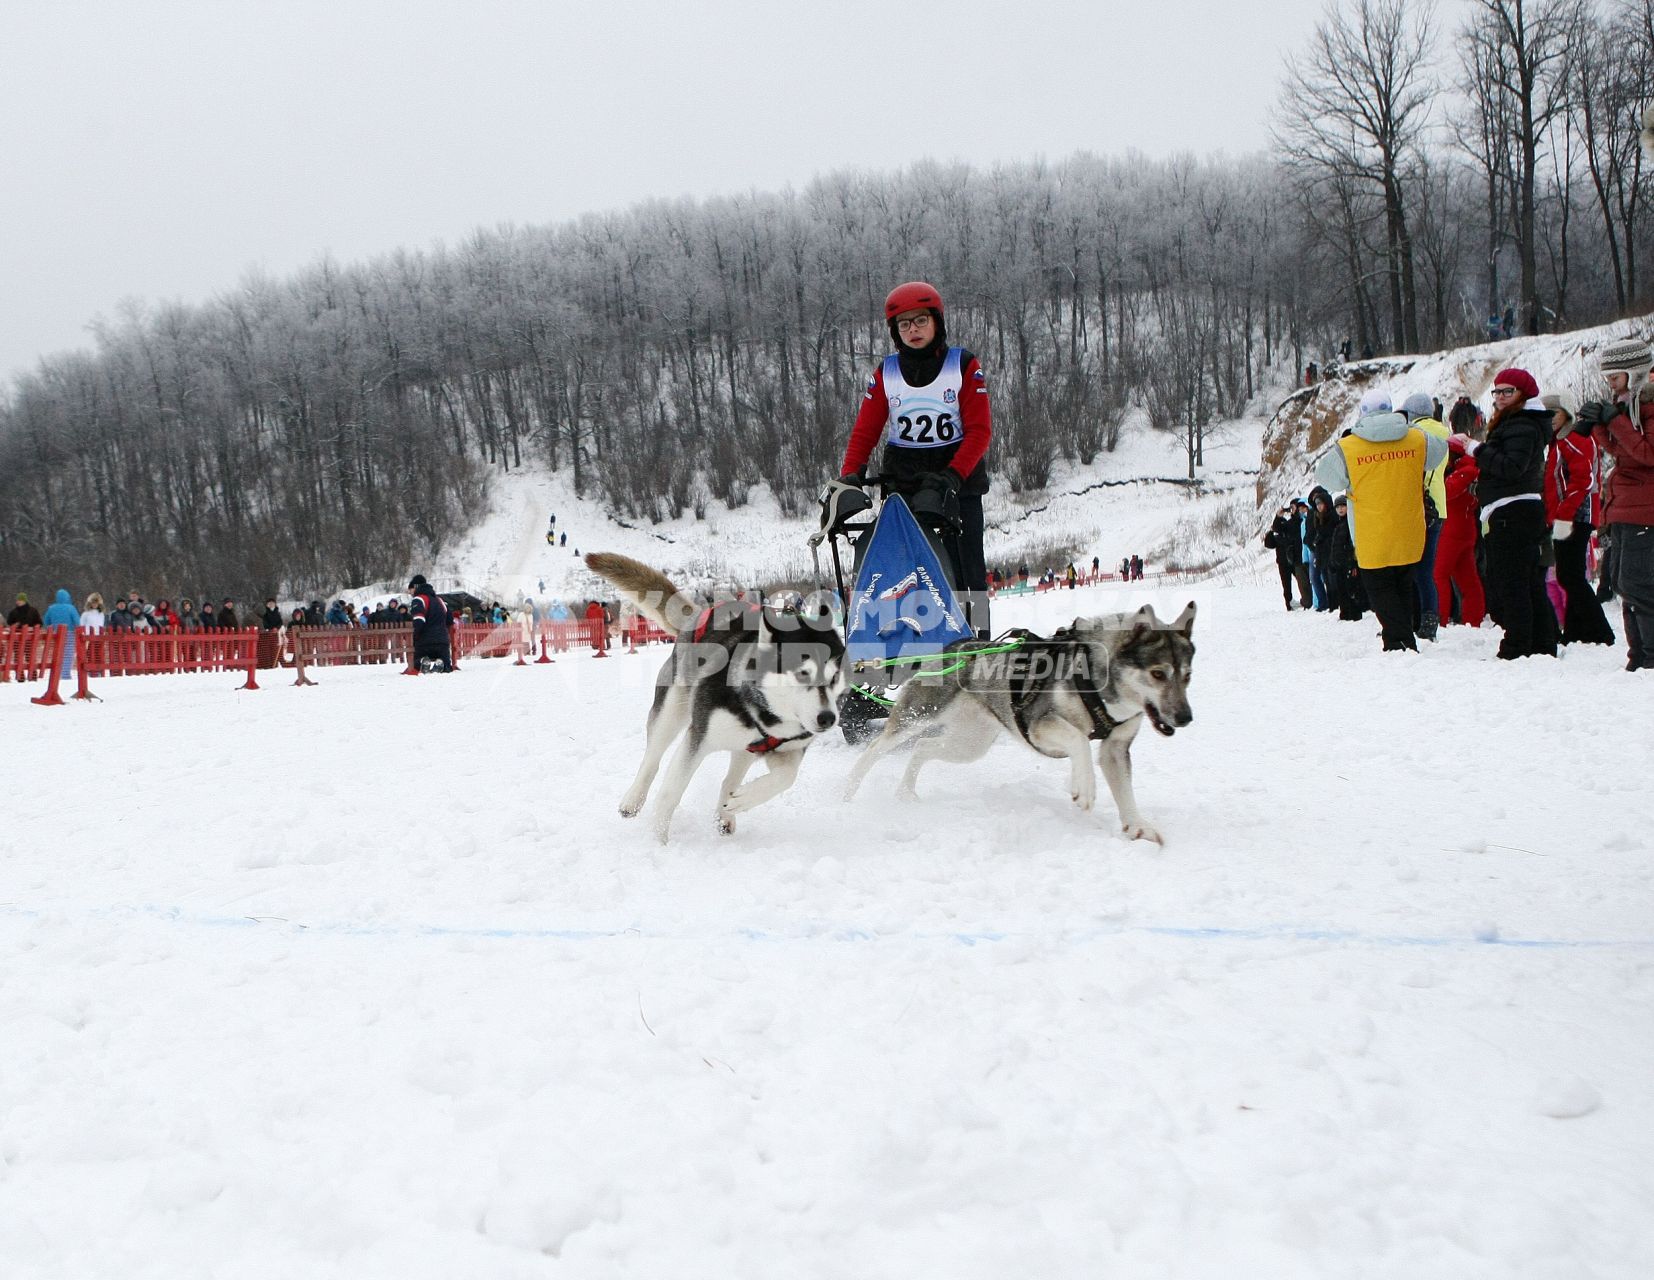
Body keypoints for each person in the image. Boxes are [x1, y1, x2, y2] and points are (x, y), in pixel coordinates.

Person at [838, 281, 993, 635]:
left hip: (958, 478)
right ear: (895, 332)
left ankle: (980, 638)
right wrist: (850, 475)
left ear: (936, 322)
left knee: (968, 569)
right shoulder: (887, 372)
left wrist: (953, 477)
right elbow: (865, 431)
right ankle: (913, 640)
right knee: (910, 569)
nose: (913, 330)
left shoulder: (964, 365)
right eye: (904, 324)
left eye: (920, 320)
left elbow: (980, 431)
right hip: (906, 480)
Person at [1315, 390, 1445, 651]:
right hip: (1409, 529)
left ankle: (1400, 642)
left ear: (1362, 413)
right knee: (1403, 585)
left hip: (1372, 534)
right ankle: (1398, 637)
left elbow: (1325, 476)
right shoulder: (1415, 437)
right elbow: (1440, 452)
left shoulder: (1350, 446)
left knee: (1380, 589)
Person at [1453, 368, 1556, 659]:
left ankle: (1518, 644)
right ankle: (1541, 641)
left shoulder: (1521, 424)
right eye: (1496, 392)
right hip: (1516, 508)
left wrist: (1475, 449)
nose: (1499, 397)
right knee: (1527, 581)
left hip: (1513, 510)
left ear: (1523, 395)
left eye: (1507, 392)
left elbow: (1511, 467)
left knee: (1512, 582)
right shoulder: (1520, 422)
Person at [1575, 337, 1654, 669]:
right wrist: (1597, 425)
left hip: (1644, 510)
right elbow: (1621, 452)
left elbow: (1646, 454)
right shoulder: (1629, 408)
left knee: (1638, 584)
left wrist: (1616, 421)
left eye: (1615, 376)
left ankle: (1649, 655)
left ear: (1634, 373)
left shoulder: (1648, 408)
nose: (1610, 383)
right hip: (1624, 506)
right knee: (1622, 583)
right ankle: (1637, 655)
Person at [1541, 395, 1614, 646]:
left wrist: (1563, 514)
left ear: (1567, 413)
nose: (1550, 419)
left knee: (1569, 575)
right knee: (1569, 575)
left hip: (1575, 515)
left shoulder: (1573, 439)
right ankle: (1576, 631)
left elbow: (1583, 480)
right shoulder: (1559, 441)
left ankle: (1601, 630)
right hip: (1568, 514)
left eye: (1555, 413)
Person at [1401, 392, 1451, 639]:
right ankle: (1429, 619)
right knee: (1427, 568)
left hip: (1418, 505)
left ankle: (1419, 620)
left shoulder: (1414, 435)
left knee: (1412, 568)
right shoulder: (1445, 432)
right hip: (1439, 504)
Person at [1434, 438, 1486, 628]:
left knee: (1439, 575)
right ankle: (1473, 619)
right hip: (1465, 529)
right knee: (1468, 578)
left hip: (1452, 530)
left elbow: (1445, 492)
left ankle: (1440, 619)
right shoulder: (1471, 470)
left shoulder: (1465, 472)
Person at [1264, 502, 1307, 611]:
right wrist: (1278, 518)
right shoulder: (1277, 531)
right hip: (1283, 561)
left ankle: (1305, 599)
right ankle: (1289, 603)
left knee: (1301, 579)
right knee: (1286, 584)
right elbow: (1269, 544)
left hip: (1292, 559)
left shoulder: (1290, 527)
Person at [1328, 494, 1364, 621]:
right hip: (1339, 564)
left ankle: (1354, 614)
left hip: (1349, 563)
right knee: (1341, 589)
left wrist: (1353, 562)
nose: (1340, 509)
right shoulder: (1338, 525)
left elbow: (1352, 543)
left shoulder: (1351, 523)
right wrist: (1332, 562)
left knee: (1351, 590)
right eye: (1338, 507)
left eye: (1343, 506)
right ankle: (1344, 613)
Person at [407, 574, 453, 672]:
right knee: (446, 667)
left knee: (416, 664)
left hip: (425, 642)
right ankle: (441, 663)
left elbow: (419, 621)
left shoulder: (418, 599)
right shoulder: (440, 600)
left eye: (410, 589)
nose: (410, 592)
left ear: (416, 586)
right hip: (442, 642)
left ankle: (422, 662)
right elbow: (450, 620)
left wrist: (415, 637)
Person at [41, 589, 80, 677]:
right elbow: (77, 621)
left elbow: (46, 621)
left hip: (56, 634)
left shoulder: (51, 608)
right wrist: (78, 629)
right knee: (68, 653)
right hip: (69, 633)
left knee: (58, 653)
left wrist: (51, 627)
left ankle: (57, 673)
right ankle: (65, 674)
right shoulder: (71, 608)